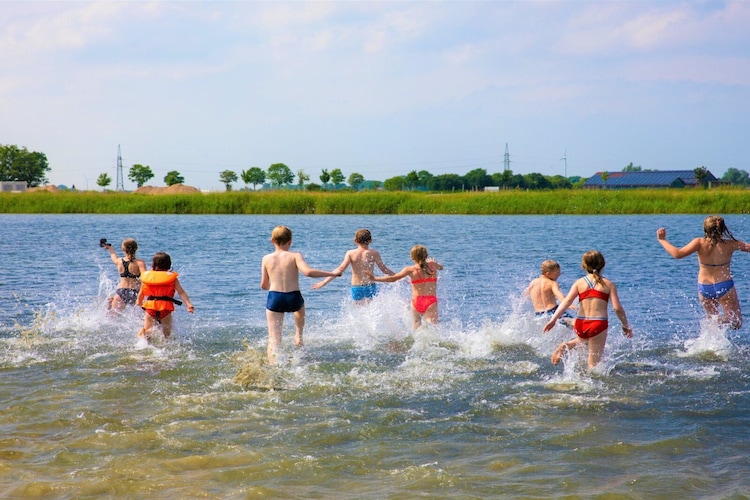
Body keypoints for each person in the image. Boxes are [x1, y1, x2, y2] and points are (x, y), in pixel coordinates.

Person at [260, 226, 341, 365]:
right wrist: (332, 273)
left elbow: (263, 284)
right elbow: (308, 272)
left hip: (275, 297)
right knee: (299, 308)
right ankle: (298, 335)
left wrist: (271, 287)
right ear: (290, 241)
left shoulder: (266, 258)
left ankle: (273, 367)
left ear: (272, 240)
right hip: (293, 297)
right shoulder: (295, 255)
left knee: (274, 339)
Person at [656, 215, 750, 329]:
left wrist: (662, 240)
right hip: (724, 286)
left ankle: (710, 333)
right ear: (723, 228)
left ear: (705, 229)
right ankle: (718, 321)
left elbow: (677, 254)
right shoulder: (731, 244)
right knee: (736, 322)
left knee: (711, 320)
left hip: (704, 288)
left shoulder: (699, 242)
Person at [543, 250, 632, 369]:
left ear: (583, 266)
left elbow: (566, 301)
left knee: (583, 340)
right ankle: (592, 384)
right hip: (598, 323)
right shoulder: (609, 284)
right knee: (593, 365)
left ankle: (567, 345)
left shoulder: (579, 283)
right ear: (603, 264)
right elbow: (617, 308)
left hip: (580, 323)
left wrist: (553, 320)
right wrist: (625, 325)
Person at [368, 245, 443, 329]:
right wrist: (434, 262)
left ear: (412, 257)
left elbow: (393, 278)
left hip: (416, 301)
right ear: (426, 255)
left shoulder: (410, 270)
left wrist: (374, 278)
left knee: (416, 325)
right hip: (430, 301)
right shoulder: (432, 265)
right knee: (433, 327)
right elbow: (441, 267)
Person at [312, 228, 394, 303]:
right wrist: (398, 276)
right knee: (371, 311)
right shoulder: (374, 253)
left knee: (358, 312)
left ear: (355, 240)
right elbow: (384, 269)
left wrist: (324, 282)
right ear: (370, 240)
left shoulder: (350, 253)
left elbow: (340, 269)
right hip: (370, 286)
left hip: (356, 287)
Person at [136, 252, 194, 340]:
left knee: (148, 331)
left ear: (153, 264)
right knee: (167, 334)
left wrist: (139, 302)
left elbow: (141, 293)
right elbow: (181, 292)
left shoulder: (148, 278)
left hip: (151, 307)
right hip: (165, 308)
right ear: (169, 265)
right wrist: (188, 304)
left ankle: (144, 334)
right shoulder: (172, 278)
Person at [525, 259, 576, 325]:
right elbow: (558, 294)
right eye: (557, 272)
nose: (559, 274)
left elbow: (526, 295)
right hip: (553, 311)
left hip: (539, 315)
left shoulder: (533, 283)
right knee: (576, 325)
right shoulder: (552, 283)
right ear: (548, 274)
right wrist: (568, 303)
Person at [102, 238, 147, 311]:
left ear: (123, 249)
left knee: (113, 317)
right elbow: (146, 279)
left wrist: (110, 248)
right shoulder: (140, 263)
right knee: (141, 318)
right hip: (135, 292)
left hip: (121, 292)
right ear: (136, 248)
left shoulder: (119, 261)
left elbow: (113, 257)